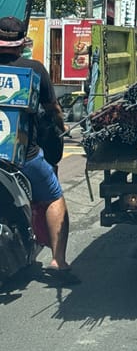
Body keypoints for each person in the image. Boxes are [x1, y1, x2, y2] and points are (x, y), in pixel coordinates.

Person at [0, 16, 76, 279]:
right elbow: (52, 108)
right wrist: (61, 125)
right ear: (21, 44)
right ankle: (59, 261)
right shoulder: (34, 69)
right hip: (21, 157)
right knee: (54, 195)